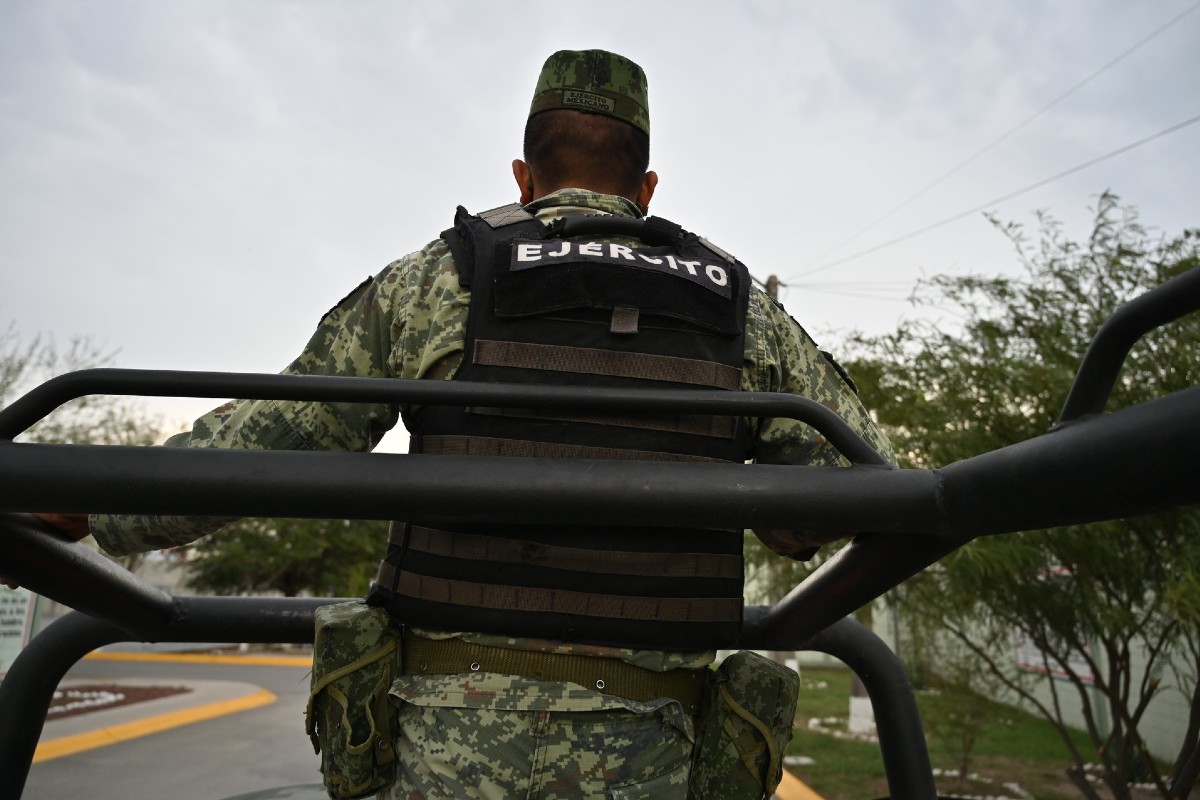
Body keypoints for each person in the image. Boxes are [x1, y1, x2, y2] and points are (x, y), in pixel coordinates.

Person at [32, 50, 895, 799]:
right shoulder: (739, 308)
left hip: (441, 738)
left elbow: (279, 433)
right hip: (653, 745)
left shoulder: (435, 281)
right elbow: (868, 484)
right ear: (648, 187)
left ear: (523, 179)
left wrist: (98, 509)